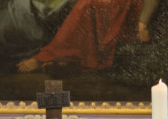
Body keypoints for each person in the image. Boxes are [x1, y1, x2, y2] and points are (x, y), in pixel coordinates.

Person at [17, 0, 159, 73]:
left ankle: (52, 56)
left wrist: (143, 22)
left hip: (138, 6)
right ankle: (67, 59)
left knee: (87, 4)